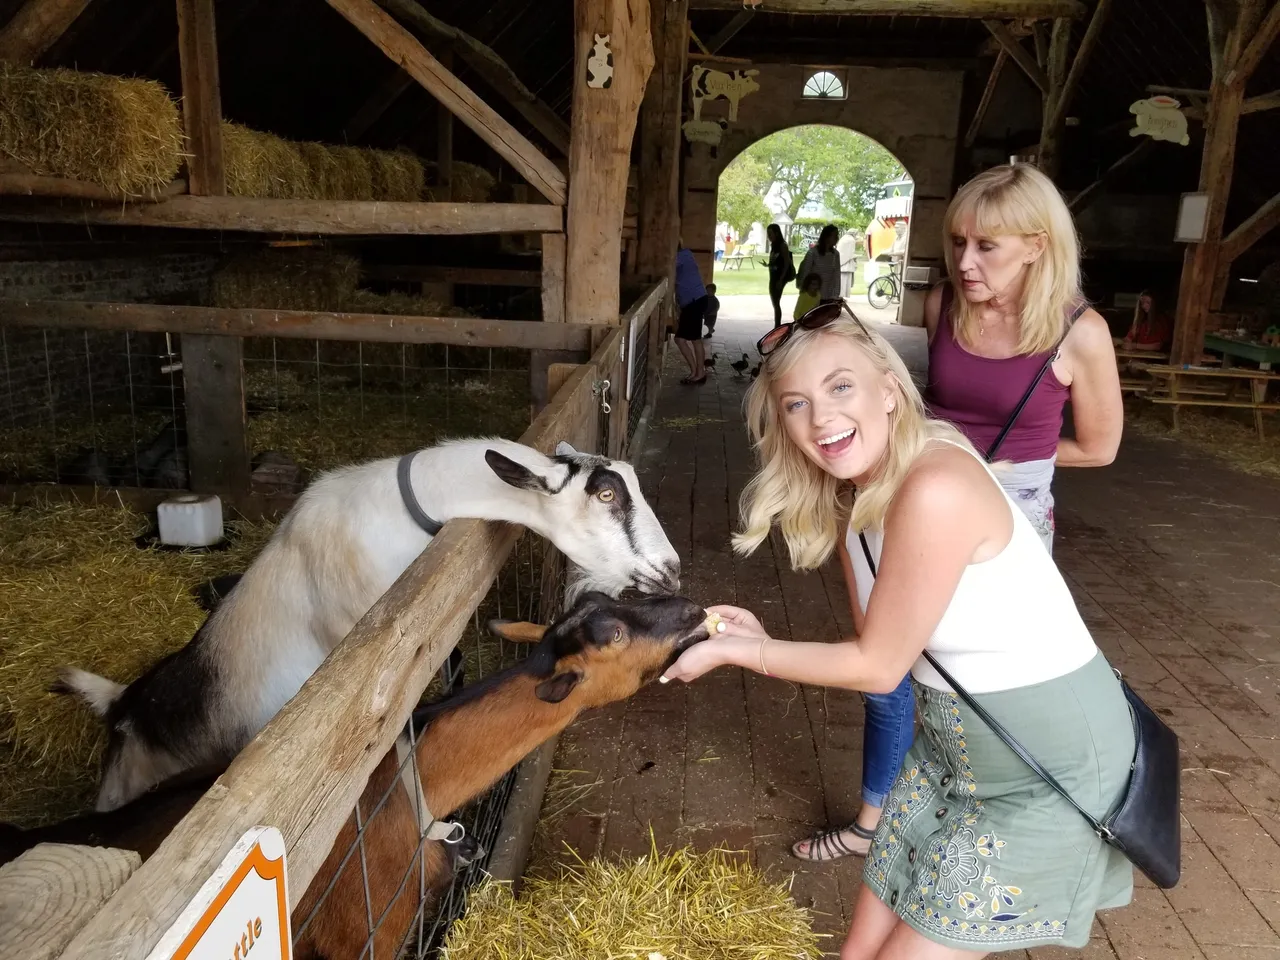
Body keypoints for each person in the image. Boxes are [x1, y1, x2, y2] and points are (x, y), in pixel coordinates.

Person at [661, 303, 1136, 958]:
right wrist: (759, 638)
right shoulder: (857, 490)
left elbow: (878, 667)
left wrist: (743, 653)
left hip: (1044, 765)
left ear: (888, 386)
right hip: (951, 750)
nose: (821, 418)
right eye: (795, 404)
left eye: (841, 386)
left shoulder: (933, 482)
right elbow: (878, 643)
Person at [792, 161, 1126, 868]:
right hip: (899, 495)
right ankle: (876, 817)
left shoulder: (1079, 331)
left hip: (1005, 516)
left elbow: (1099, 447)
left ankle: (981, 819)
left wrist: (995, 469)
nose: (965, 262)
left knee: (970, 673)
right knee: (881, 662)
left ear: (1037, 244)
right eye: (959, 243)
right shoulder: (945, 306)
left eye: (987, 247)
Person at [674, 241, 708, 385]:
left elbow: (664, 267)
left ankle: (699, 373)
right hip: (692, 302)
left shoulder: (681, 256)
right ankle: (696, 372)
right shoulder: (685, 255)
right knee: (684, 339)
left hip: (694, 301)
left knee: (691, 339)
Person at [797, 224, 843, 300]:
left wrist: (836, 295)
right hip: (812, 295)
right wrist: (803, 292)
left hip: (829, 295)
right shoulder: (813, 253)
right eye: (835, 236)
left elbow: (837, 276)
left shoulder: (836, 254)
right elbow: (805, 274)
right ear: (826, 237)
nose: (837, 238)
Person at [767, 223, 796, 328]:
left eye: (771, 234)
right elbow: (776, 261)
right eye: (768, 234)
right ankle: (777, 325)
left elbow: (787, 263)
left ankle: (777, 326)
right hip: (773, 276)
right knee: (775, 302)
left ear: (777, 233)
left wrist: (781, 279)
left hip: (779, 278)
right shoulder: (774, 245)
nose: (769, 236)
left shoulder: (782, 245)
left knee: (776, 302)